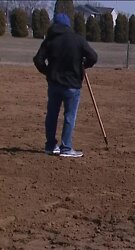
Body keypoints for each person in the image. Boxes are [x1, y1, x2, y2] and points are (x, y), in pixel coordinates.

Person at [33, 13, 98, 158]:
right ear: (68, 25)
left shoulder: (50, 40)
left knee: (52, 115)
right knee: (69, 116)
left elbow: (38, 60)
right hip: (72, 86)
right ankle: (66, 147)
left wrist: (48, 72)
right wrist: (84, 65)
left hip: (54, 84)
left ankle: (50, 146)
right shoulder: (78, 40)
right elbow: (93, 57)